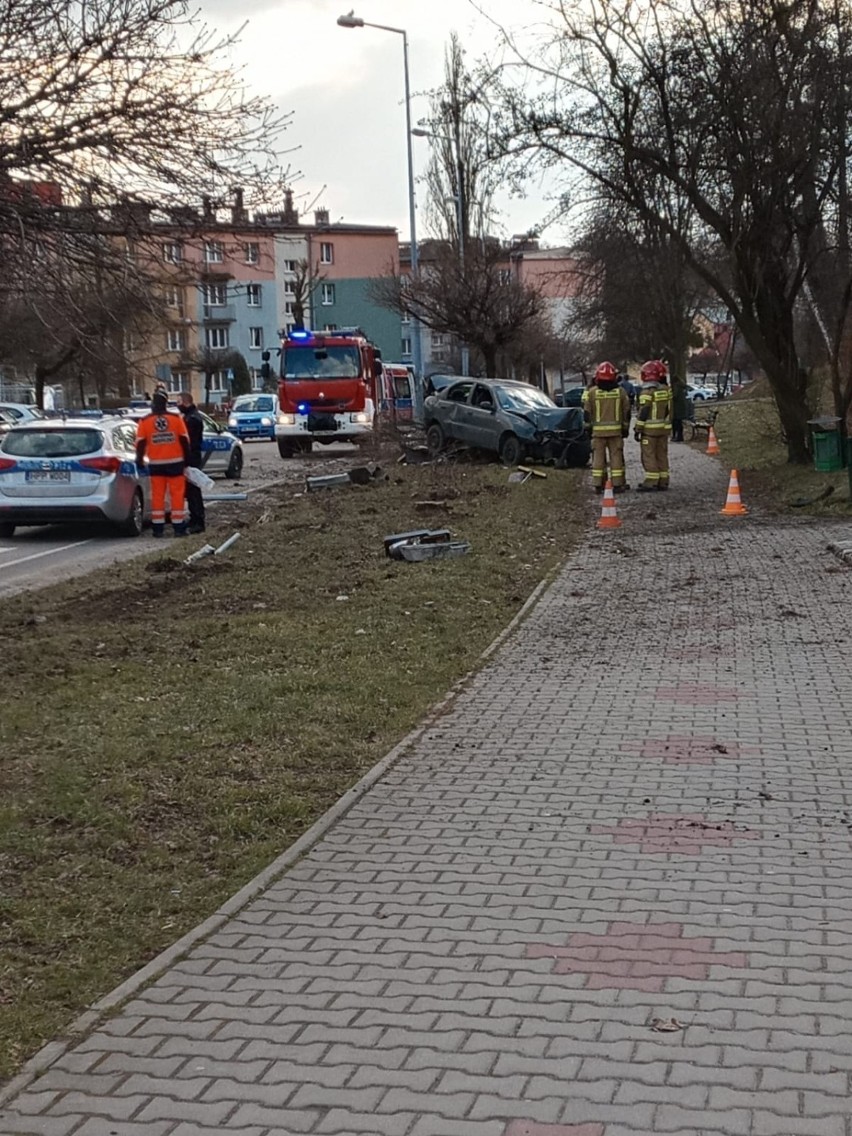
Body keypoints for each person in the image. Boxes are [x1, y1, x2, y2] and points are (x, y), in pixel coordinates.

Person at [135, 390, 191, 536]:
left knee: (157, 496)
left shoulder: (145, 421)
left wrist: (139, 460)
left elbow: (140, 443)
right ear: (166, 403)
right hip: (176, 463)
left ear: (153, 403)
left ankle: (158, 528)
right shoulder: (176, 418)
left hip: (156, 464)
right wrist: (188, 461)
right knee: (177, 495)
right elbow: (184, 440)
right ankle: (178, 527)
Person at [582, 360, 632, 493]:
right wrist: (625, 428)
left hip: (597, 433)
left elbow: (586, 413)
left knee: (598, 458)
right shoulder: (621, 392)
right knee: (616, 458)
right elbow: (626, 412)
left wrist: (587, 428)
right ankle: (617, 484)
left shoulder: (592, 393)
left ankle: (598, 484)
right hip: (616, 432)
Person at [634, 359, 673, 491]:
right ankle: (664, 480)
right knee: (661, 454)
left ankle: (651, 481)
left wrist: (638, 428)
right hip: (664, 429)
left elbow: (644, 411)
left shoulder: (647, 392)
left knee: (649, 454)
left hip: (649, 430)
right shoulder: (667, 390)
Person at [178, 390, 206, 534]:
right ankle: (195, 518)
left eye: (179, 402)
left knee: (194, 491)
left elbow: (189, 441)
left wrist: (187, 460)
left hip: (191, 458)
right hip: (191, 457)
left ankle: (198, 521)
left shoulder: (192, 419)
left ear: (186, 402)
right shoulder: (191, 416)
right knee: (191, 491)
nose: (178, 406)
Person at [671, 375, 689, 442]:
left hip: (677, 407)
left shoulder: (677, 386)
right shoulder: (683, 386)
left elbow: (675, 396)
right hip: (682, 407)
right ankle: (680, 437)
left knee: (676, 422)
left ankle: (677, 437)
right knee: (679, 423)